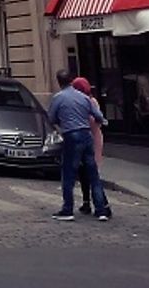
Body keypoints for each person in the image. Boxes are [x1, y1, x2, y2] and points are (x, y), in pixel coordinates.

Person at [47, 68, 110, 222]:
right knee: (93, 174)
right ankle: (101, 210)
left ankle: (67, 209)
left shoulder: (58, 98)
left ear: (59, 82)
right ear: (71, 80)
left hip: (71, 134)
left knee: (68, 173)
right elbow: (99, 116)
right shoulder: (84, 98)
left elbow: (51, 118)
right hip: (86, 135)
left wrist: (62, 122)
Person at [72, 76, 109, 217]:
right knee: (83, 173)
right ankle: (87, 202)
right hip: (90, 138)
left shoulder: (88, 102)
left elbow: (95, 121)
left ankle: (104, 206)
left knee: (92, 174)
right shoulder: (87, 101)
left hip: (90, 140)